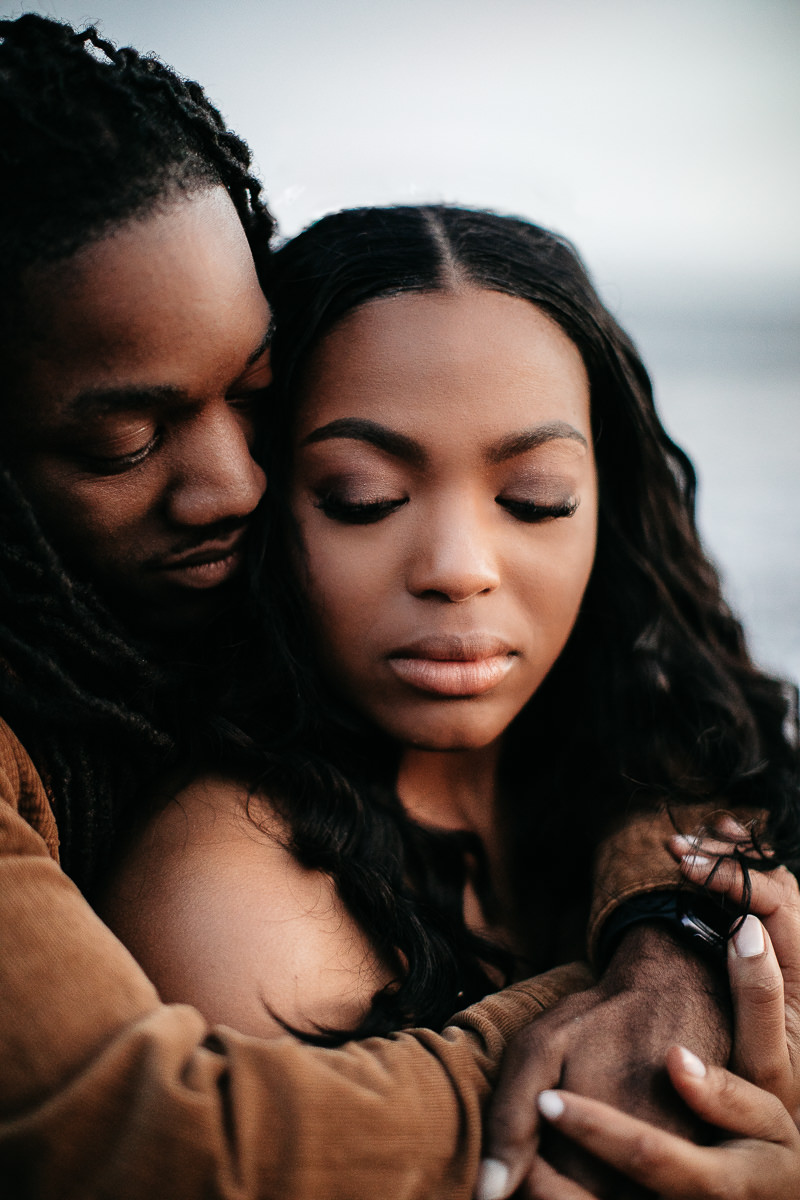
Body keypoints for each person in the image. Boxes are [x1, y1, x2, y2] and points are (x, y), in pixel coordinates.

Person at [0, 13, 779, 1197]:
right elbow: (160, 1139)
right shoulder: (232, 885)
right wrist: (668, 1001)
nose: (234, 485)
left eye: (535, 495)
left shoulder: (638, 756)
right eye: (358, 496)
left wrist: (671, 937)